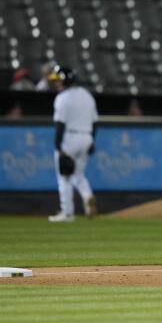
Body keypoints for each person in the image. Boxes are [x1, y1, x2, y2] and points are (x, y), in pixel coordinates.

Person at [48, 65, 99, 222]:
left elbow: (60, 125)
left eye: (58, 80)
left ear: (65, 81)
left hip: (69, 138)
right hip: (86, 137)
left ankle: (67, 212)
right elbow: (95, 122)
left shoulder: (62, 98)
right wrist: (91, 141)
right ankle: (87, 195)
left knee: (63, 177)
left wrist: (58, 146)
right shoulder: (86, 95)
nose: (56, 83)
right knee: (77, 174)